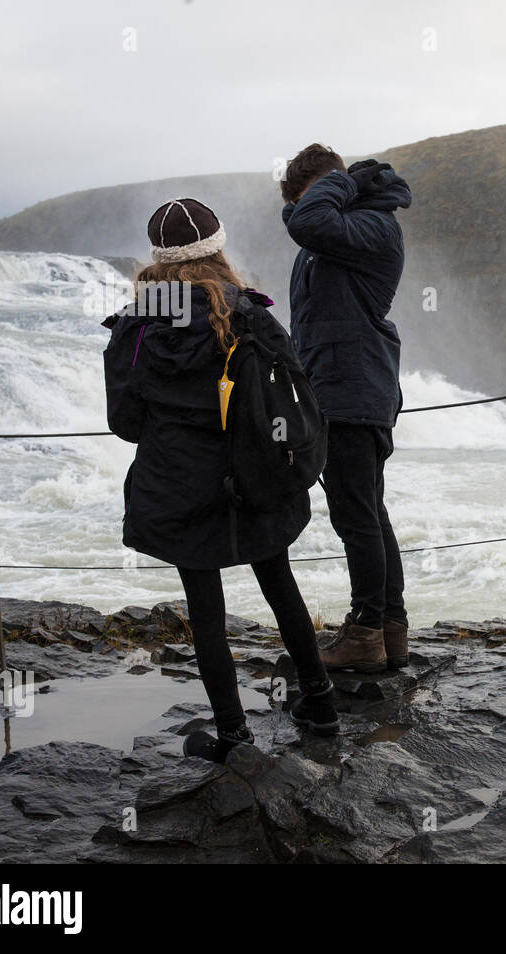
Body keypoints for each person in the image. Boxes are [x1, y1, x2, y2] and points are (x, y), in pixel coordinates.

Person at [104, 197, 339, 762]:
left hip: (180, 488)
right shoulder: (251, 315)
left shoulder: (135, 328)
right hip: (257, 480)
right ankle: (321, 706)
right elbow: (293, 393)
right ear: (216, 249)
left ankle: (234, 734)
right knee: (279, 582)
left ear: (157, 260)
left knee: (204, 609)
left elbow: (124, 422)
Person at [279, 144, 412, 672]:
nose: (302, 208)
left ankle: (363, 634)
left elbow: (307, 221)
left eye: (309, 196)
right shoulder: (341, 234)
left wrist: (344, 180)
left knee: (356, 517)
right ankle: (388, 629)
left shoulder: (373, 227)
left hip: (352, 390)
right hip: (339, 386)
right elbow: (305, 221)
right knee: (367, 515)